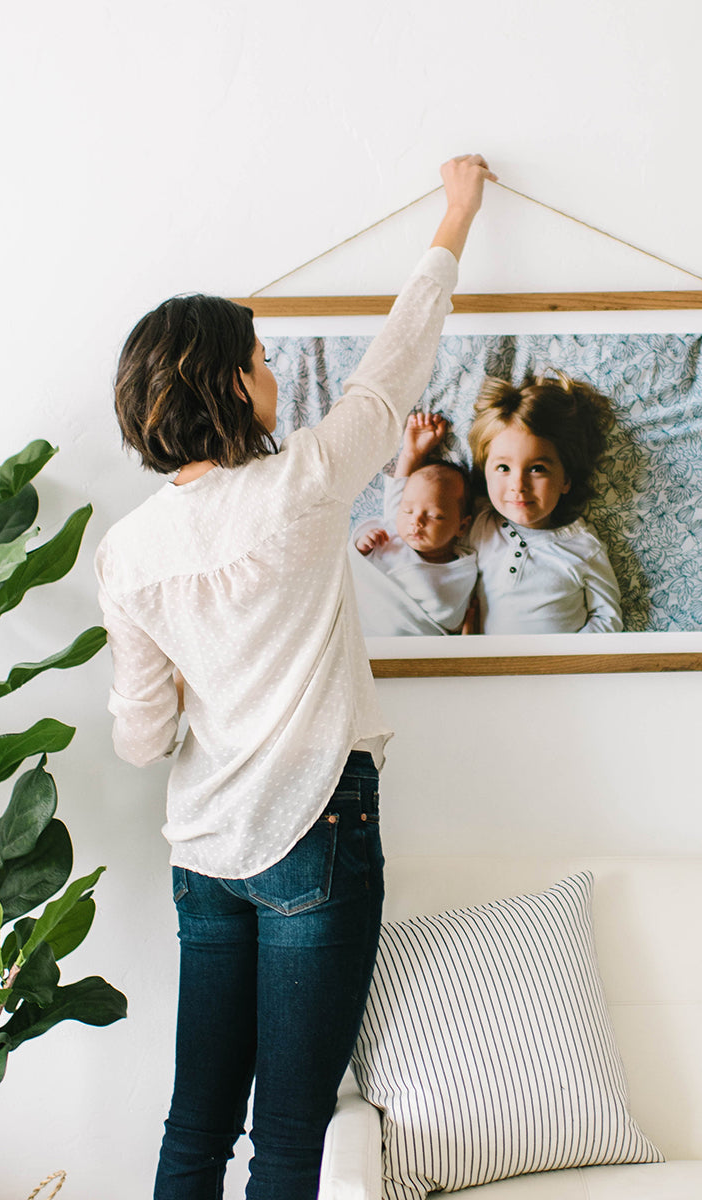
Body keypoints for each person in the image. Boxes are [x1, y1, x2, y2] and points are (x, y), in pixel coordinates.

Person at [95, 154, 495, 1200]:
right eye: (261, 357)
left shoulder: (129, 554)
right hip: (314, 826)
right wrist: (456, 213)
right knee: (288, 1138)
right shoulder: (305, 486)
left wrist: (197, 674)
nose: (272, 370)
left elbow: (139, 739)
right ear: (232, 382)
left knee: (195, 1128)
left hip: (204, 853)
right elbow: (395, 368)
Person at [465, 371, 624, 634]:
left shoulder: (583, 546)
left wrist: (566, 666)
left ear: (566, 480)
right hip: (486, 671)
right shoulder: (478, 524)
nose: (518, 485)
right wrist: (412, 458)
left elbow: (607, 617)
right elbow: (414, 525)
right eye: (503, 467)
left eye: (537, 468)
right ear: (484, 472)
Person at [352, 412, 476, 635]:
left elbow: (451, 617)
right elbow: (357, 574)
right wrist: (362, 548)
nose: (416, 521)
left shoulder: (462, 569)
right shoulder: (391, 533)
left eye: (435, 516)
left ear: (462, 526)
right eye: (408, 510)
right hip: (365, 628)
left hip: (413, 646)